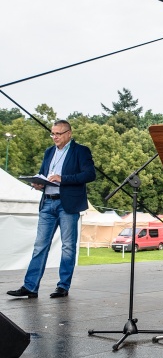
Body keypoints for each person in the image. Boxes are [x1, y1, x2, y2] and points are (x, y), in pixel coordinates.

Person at [7, 120, 96, 299]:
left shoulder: (80, 151)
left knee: (68, 247)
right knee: (40, 246)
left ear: (69, 133)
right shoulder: (49, 152)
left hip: (67, 204)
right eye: (53, 133)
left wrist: (63, 178)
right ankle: (30, 287)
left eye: (58, 133)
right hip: (47, 202)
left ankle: (63, 286)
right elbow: (43, 173)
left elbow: (89, 174)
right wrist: (38, 183)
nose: (55, 137)